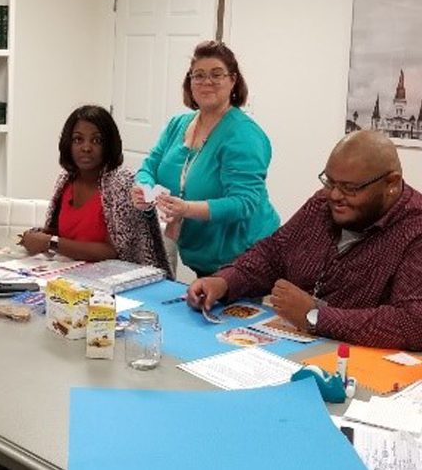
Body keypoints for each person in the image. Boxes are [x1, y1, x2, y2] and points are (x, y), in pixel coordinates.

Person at [188, 130, 422, 350]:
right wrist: (224, 282)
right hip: (294, 347)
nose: (335, 196)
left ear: (391, 183)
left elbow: (413, 322)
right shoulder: (323, 203)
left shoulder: (415, 229)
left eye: (350, 188)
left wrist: (315, 316)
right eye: (330, 182)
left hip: (360, 367)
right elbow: (273, 253)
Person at [132, 40, 280, 276]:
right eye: (198, 75)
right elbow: (149, 167)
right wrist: (143, 189)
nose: (207, 82)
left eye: (216, 74)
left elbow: (244, 203)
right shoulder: (177, 125)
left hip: (246, 260)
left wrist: (187, 209)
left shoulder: (243, 135)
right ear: (189, 83)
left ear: (233, 81)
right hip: (204, 259)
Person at [21, 105, 171, 273]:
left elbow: (113, 251)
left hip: (119, 282)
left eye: (96, 140)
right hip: (69, 275)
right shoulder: (66, 179)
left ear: (109, 145)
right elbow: (61, 232)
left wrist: (51, 243)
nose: (86, 148)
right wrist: (36, 236)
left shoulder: (122, 183)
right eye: (78, 139)